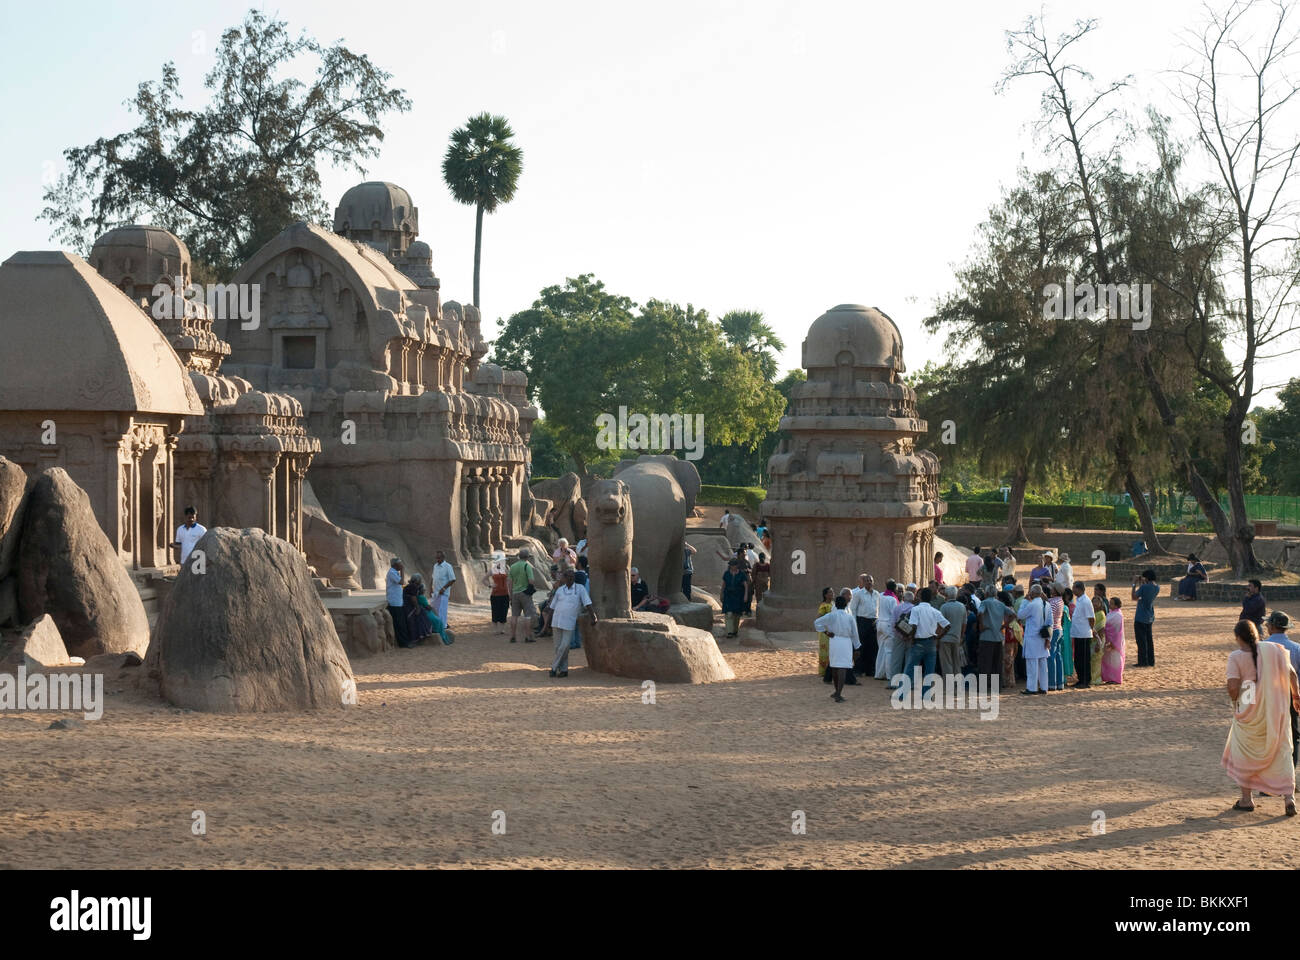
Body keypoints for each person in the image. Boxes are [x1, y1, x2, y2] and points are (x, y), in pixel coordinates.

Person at [1222, 619, 1298, 815]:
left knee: (1243, 751)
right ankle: (1289, 797)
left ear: (1238, 638)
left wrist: (1235, 701)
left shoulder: (1236, 657)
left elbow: (1232, 687)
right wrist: (1296, 696)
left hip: (1248, 706)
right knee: (1281, 748)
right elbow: (1292, 674)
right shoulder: (1274, 650)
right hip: (1274, 708)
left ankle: (1246, 799)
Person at [1262, 610, 1300, 766]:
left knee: (1267, 736)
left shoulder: (1261, 647)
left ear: (1271, 626)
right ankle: (1289, 775)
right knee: (1292, 734)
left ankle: (1268, 780)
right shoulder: (1297, 648)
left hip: (1267, 697)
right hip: (1290, 695)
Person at [546, 568, 595, 678]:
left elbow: (588, 603)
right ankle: (563, 670)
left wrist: (593, 616)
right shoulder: (560, 590)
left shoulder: (580, 589)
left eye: (572, 576)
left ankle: (554, 667)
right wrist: (546, 625)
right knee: (558, 647)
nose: (570, 578)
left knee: (565, 646)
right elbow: (552, 608)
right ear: (563, 578)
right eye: (567, 576)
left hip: (569, 622)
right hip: (556, 621)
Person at [814, 593, 860, 703]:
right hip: (846, 642)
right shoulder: (849, 617)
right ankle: (839, 693)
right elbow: (855, 633)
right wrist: (857, 646)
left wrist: (826, 632)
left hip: (834, 641)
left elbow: (817, 622)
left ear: (836, 605)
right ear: (845, 605)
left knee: (834, 666)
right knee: (843, 667)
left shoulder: (831, 615)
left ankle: (836, 691)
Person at [905, 587, 949, 693]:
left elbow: (914, 626)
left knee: (910, 669)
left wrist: (911, 637)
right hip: (931, 642)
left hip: (918, 642)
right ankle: (926, 694)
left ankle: (901, 694)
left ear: (919, 597)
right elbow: (947, 625)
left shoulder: (915, 609)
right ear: (931, 598)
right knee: (929, 671)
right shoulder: (935, 611)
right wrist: (938, 637)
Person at [1018, 584, 1051, 695]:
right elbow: (1050, 623)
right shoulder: (1047, 604)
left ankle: (1032, 688)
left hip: (1033, 637)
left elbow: (1020, 615)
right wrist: (1048, 639)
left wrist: (1024, 602)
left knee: (1032, 665)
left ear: (1032, 593)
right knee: (1042, 664)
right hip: (1043, 637)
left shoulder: (1032, 604)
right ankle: (1044, 687)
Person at [977, 590, 1013, 688]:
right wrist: (1005, 625)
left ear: (987, 593)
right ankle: (996, 686)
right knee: (997, 663)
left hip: (986, 637)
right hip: (998, 637)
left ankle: (984, 686)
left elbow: (980, 613)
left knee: (985, 663)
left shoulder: (984, 602)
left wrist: (981, 624)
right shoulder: (1001, 604)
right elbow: (1013, 614)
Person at [850, 574, 881, 677]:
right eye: (867, 580)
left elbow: (879, 609)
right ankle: (858, 669)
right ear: (863, 582)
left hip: (873, 622)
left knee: (873, 646)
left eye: (870, 580)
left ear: (873, 582)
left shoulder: (877, 594)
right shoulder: (858, 594)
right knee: (860, 646)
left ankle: (870, 670)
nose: (869, 582)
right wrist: (854, 624)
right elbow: (853, 610)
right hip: (862, 621)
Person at [508, 550, 538, 644]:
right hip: (525, 593)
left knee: (514, 616)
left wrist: (510, 594)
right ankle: (528, 636)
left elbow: (509, 582)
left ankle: (513, 636)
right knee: (528, 615)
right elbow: (531, 580)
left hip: (515, 593)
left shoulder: (512, 567)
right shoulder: (527, 566)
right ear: (527, 557)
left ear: (519, 556)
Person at [1070, 581, 1097, 689]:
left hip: (1084, 634)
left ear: (1079, 589)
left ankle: (1085, 681)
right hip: (1077, 633)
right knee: (1078, 659)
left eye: (1074, 588)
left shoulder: (1086, 601)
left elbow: (1091, 618)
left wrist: (1091, 630)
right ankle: (1080, 679)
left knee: (1084, 659)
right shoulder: (1079, 600)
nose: (1073, 590)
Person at [1131, 568, 1160, 667]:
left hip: (1140, 617)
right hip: (1149, 616)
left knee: (1141, 641)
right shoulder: (1157, 587)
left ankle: (1143, 662)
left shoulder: (1145, 587)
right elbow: (1144, 593)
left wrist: (1134, 584)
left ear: (1147, 578)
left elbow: (1134, 597)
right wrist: (1143, 583)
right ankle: (1150, 661)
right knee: (1149, 640)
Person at [889, 589, 916, 688]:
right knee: (910, 660)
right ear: (913, 599)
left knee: (896, 660)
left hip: (898, 636)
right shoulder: (914, 609)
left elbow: (892, 623)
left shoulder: (897, 608)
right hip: (911, 638)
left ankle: (894, 682)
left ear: (904, 598)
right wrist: (909, 635)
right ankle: (910, 683)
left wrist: (899, 635)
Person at [938, 586, 967, 677]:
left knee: (947, 662)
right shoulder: (962, 606)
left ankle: (949, 684)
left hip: (945, 638)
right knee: (956, 662)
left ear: (946, 595)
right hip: (957, 638)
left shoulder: (944, 607)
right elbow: (964, 624)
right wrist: (961, 636)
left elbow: (940, 624)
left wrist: (938, 637)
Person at [875, 581, 899, 680]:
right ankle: (890, 675)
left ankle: (879, 674)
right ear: (894, 588)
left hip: (879, 623)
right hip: (888, 624)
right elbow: (894, 614)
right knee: (889, 650)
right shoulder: (892, 599)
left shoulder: (880, 596)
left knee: (881, 649)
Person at [386, 558, 412, 648]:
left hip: (398, 601)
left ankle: (404, 641)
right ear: (395, 565)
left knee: (401, 623)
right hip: (394, 602)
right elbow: (401, 582)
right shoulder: (392, 572)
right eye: (400, 564)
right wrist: (403, 571)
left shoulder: (394, 572)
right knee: (400, 624)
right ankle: (404, 643)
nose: (401, 566)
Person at [1046, 584, 1066, 691]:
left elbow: (1049, 617)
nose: (1050, 589)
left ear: (1055, 591)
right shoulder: (1060, 600)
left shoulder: (1052, 602)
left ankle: (1052, 683)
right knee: (1058, 657)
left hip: (1053, 630)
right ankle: (1060, 683)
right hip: (1059, 629)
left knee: (1051, 657)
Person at [721, 560, 748, 638]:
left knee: (736, 614)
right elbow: (723, 584)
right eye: (731, 565)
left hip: (738, 596)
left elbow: (745, 585)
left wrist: (745, 595)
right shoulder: (726, 574)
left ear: (737, 565)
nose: (732, 567)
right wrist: (721, 594)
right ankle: (729, 632)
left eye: (733, 565)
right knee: (729, 614)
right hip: (728, 596)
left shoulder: (741, 574)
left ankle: (735, 630)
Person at [485, 553, 510, 635]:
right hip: (495, 594)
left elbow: (509, 581)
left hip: (505, 593)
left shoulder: (506, 569)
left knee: (504, 610)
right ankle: (495, 629)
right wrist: (490, 585)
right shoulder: (492, 570)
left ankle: (502, 629)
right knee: (495, 611)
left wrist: (510, 593)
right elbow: (484, 579)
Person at [1101, 597, 1125, 684]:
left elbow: (1116, 630)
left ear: (1116, 605)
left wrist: (1112, 641)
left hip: (1115, 642)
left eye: (1111, 603)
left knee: (1115, 660)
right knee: (1108, 660)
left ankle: (1116, 678)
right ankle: (1109, 678)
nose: (1109, 605)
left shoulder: (1118, 615)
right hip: (1109, 640)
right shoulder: (1111, 613)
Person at [431, 551, 456, 627]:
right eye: (436, 558)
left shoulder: (448, 566)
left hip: (443, 593)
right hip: (435, 592)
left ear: (443, 558)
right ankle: (438, 626)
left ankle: (443, 626)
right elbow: (432, 578)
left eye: (439, 558)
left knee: (442, 611)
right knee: (436, 610)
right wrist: (430, 588)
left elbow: (453, 579)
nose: (437, 559)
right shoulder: (435, 566)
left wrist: (444, 588)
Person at [816, 587, 834, 680]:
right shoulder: (824, 606)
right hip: (825, 632)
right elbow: (818, 619)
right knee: (825, 651)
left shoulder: (833, 604)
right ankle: (823, 671)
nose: (832, 593)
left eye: (832, 592)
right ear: (825, 595)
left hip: (832, 631)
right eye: (830, 592)